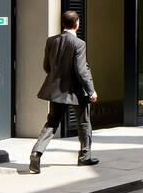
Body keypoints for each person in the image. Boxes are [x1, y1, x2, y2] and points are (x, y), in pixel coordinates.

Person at [29, 10, 98, 173]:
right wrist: (91, 91)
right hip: (75, 91)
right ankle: (84, 157)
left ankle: (36, 152)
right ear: (77, 24)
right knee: (84, 123)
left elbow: (47, 66)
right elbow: (81, 70)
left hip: (55, 91)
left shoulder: (51, 41)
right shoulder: (79, 43)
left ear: (63, 24)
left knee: (51, 123)